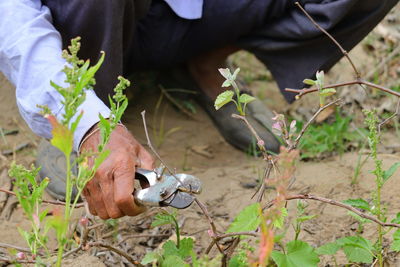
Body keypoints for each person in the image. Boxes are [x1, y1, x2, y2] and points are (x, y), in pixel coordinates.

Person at [1, 0, 398, 220]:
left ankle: (208, 63)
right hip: (85, 23)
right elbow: (13, 19)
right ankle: (81, 103)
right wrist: (84, 126)